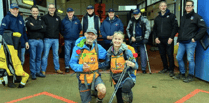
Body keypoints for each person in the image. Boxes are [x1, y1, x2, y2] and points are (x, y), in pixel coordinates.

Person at [100, 31, 138, 103]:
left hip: (127, 76)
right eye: (115, 39)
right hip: (116, 78)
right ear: (112, 39)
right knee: (120, 100)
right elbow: (106, 65)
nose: (117, 41)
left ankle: (128, 97)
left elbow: (136, 66)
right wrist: (95, 66)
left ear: (122, 40)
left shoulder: (127, 51)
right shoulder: (109, 52)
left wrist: (131, 64)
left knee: (126, 88)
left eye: (119, 39)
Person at [69, 29, 106, 103]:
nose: (90, 36)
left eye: (93, 35)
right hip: (83, 77)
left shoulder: (97, 47)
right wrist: (81, 67)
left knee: (102, 90)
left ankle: (99, 100)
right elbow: (72, 63)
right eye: (89, 34)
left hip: (95, 75)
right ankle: (90, 93)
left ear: (95, 37)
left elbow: (108, 55)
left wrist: (122, 49)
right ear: (85, 35)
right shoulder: (78, 48)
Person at [175, 0, 207, 83]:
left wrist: (195, 38)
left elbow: (203, 28)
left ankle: (190, 75)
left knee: (190, 59)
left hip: (190, 42)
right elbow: (180, 29)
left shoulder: (197, 17)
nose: (187, 7)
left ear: (193, 6)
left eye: (189, 5)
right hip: (182, 42)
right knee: (178, 57)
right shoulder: (183, 17)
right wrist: (178, 40)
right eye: (186, 6)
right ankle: (182, 73)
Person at [0, 3, 29, 88]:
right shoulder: (6, 19)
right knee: (10, 62)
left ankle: (18, 77)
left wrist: (26, 42)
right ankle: (10, 81)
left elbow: (24, 32)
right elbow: (2, 31)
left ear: (18, 10)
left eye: (17, 9)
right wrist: (13, 35)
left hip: (21, 44)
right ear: (10, 9)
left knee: (20, 61)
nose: (15, 10)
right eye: (14, 9)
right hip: (10, 45)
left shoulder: (20, 18)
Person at [153, 1, 178, 77]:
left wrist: (171, 37)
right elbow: (154, 29)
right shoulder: (157, 18)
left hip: (169, 39)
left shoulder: (172, 16)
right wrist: (156, 37)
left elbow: (175, 27)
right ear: (159, 7)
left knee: (170, 54)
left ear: (166, 6)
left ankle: (171, 70)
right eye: (161, 6)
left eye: (164, 6)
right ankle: (165, 68)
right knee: (162, 54)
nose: (163, 7)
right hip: (160, 40)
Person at [126, 9, 151, 74]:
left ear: (140, 14)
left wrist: (145, 38)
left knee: (143, 54)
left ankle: (143, 68)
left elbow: (148, 30)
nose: (135, 15)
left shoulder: (145, 20)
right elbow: (127, 29)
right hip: (134, 40)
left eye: (137, 14)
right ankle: (135, 67)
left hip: (142, 40)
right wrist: (131, 37)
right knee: (134, 54)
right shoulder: (131, 20)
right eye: (134, 14)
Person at [41, 3, 63, 75]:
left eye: (53, 8)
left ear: (55, 9)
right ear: (48, 9)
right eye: (50, 8)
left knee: (56, 54)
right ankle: (43, 70)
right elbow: (42, 28)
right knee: (45, 55)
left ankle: (57, 69)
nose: (51, 9)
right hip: (47, 39)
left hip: (56, 39)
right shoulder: (44, 17)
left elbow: (60, 28)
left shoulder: (58, 18)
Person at [25, 5, 46, 80]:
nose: (35, 12)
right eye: (33, 11)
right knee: (33, 58)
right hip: (32, 41)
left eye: (36, 11)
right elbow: (31, 28)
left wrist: (36, 27)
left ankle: (38, 72)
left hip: (40, 41)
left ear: (38, 12)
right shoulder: (28, 19)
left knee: (38, 58)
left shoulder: (41, 19)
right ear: (31, 12)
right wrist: (40, 27)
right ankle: (33, 73)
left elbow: (44, 29)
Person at [61, 8, 82, 73]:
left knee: (75, 53)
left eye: (71, 12)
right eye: (68, 12)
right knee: (67, 53)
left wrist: (75, 34)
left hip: (75, 40)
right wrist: (66, 35)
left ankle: (74, 66)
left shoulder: (77, 20)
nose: (70, 13)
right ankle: (67, 66)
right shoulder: (63, 21)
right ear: (67, 13)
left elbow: (79, 28)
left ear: (73, 12)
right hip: (67, 40)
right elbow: (61, 30)